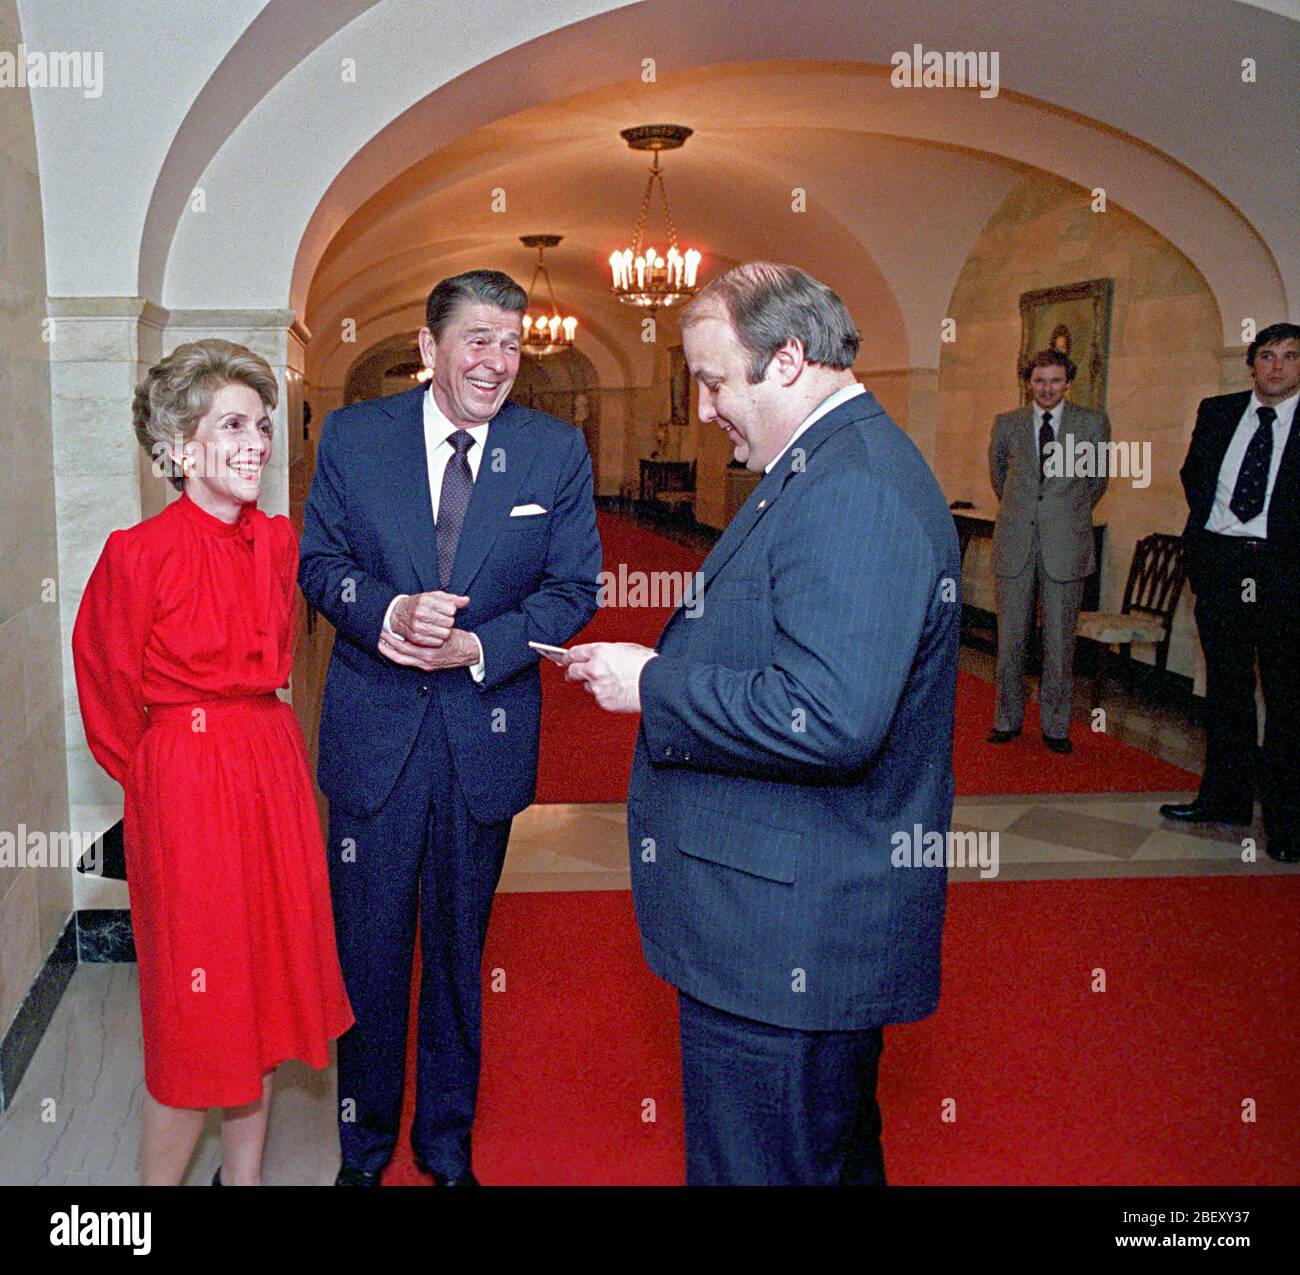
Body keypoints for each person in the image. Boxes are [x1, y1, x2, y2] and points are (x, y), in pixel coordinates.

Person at [565, 263, 959, 1185]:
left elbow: (828, 716)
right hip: (779, 919)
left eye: (713, 381)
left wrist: (655, 684)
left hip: (791, 935)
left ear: (787, 361)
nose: (704, 409)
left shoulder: (852, 488)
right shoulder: (825, 466)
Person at [299, 270, 601, 1187]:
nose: (497, 361)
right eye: (478, 339)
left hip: (485, 733)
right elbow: (320, 562)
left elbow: (573, 589)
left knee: (461, 957)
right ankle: (363, 1147)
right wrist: (388, 614)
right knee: (370, 955)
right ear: (429, 349)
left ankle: (445, 1144)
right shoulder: (357, 437)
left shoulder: (554, 453)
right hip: (373, 740)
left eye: (512, 344)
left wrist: (479, 642)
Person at [71, 339, 353, 1186]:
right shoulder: (138, 552)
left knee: (260, 999)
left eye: (262, 425)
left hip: (270, 771)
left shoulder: (276, 542)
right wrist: (171, 783)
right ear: (180, 447)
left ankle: (247, 1180)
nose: (258, 443)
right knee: (198, 1017)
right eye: (232, 423)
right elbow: (108, 697)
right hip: (188, 787)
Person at [1160, 323, 1300, 863]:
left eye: (1289, 358)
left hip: (1282, 571)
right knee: (1227, 686)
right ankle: (1224, 798)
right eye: (1267, 356)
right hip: (1221, 563)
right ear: (1252, 363)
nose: (1277, 367)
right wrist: (1213, 546)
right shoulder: (1218, 411)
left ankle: (1286, 823)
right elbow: (1195, 475)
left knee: (1286, 695)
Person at [986, 349, 1110, 754]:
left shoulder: (1092, 424)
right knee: (1011, 638)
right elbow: (1000, 476)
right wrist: (1028, 512)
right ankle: (1007, 719)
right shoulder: (1007, 423)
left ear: (1068, 383)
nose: (1047, 388)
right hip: (1016, 543)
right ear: (1028, 383)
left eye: (1055, 380)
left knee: (1059, 641)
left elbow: (1096, 483)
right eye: (1039, 380)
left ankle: (1056, 726)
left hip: (1065, 545)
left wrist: (1061, 514)